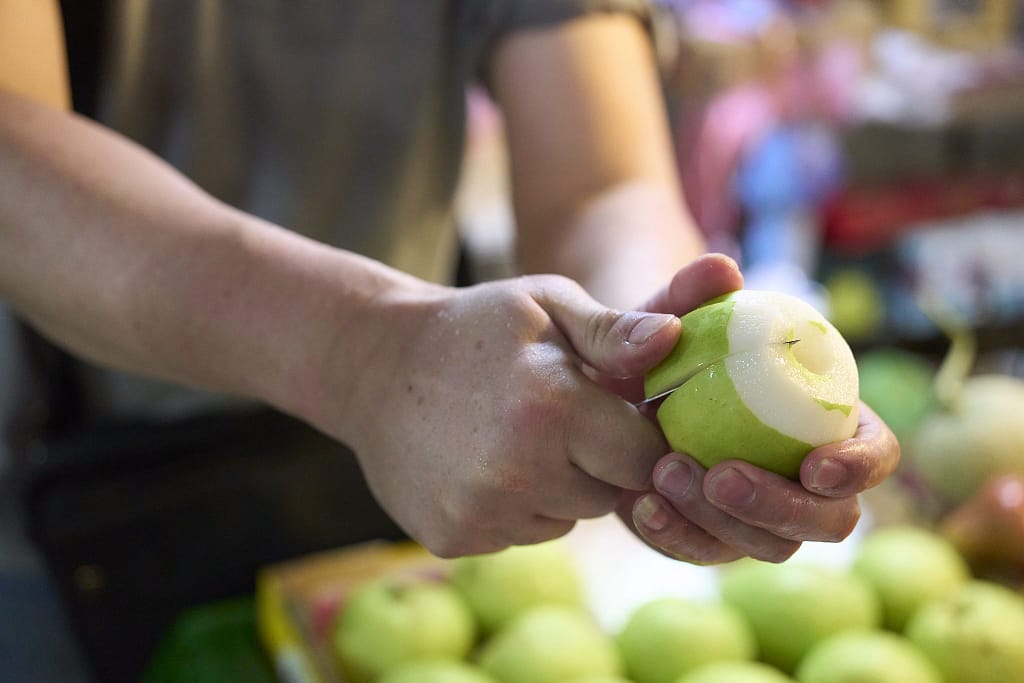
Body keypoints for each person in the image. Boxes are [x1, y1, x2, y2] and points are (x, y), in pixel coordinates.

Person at [0, 0, 898, 569]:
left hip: (402, 454)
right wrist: (359, 355)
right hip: (54, 490)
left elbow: (599, 185)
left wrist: (645, 361)